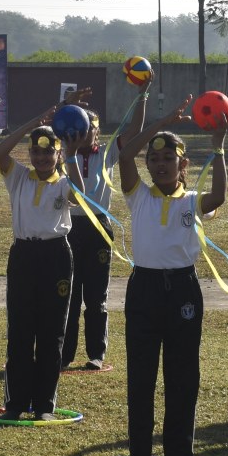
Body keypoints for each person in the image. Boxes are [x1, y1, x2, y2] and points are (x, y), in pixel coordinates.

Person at [116, 95, 228, 456]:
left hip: (182, 290)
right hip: (144, 289)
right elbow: (124, 155)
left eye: (168, 158)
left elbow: (219, 196)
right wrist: (161, 122)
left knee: (182, 377)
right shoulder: (138, 196)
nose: (160, 164)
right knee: (141, 377)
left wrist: (219, 149)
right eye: (154, 159)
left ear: (183, 165)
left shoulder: (192, 201)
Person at [0, 103, 78, 419]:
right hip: (23, 256)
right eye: (36, 152)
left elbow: (80, 195)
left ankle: (44, 405)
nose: (41, 158)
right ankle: (15, 404)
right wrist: (31, 123)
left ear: (59, 154)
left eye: (48, 152)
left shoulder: (64, 183)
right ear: (29, 153)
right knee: (20, 330)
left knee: (51, 331)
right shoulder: (19, 177)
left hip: (55, 256)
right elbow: (0, 152)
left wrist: (72, 155)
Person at [63, 88, 150, 371]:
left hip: (98, 226)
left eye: (91, 127)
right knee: (70, 296)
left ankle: (96, 354)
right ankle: (64, 354)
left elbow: (135, 129)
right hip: (69, 227)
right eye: (81, 127)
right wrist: (65, 106)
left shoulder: (106, 152)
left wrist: (142, 95)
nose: (86, 133)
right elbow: (52, 125)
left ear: (98, 131)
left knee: (96, 296)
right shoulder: (63, 151)